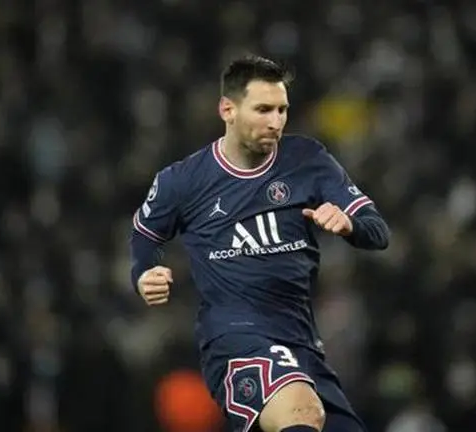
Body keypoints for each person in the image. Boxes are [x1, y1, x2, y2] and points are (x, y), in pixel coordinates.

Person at [129, 55, 390, 432]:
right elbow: (144, 235)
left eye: (283, 110)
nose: (276, 122)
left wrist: (351, 224)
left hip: (301, 341)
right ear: (228, 109)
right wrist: (143, 272)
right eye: (263, 109)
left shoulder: (307, 160)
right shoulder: (182, 181)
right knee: (302, 413)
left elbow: (378, 231)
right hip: (234, 338)